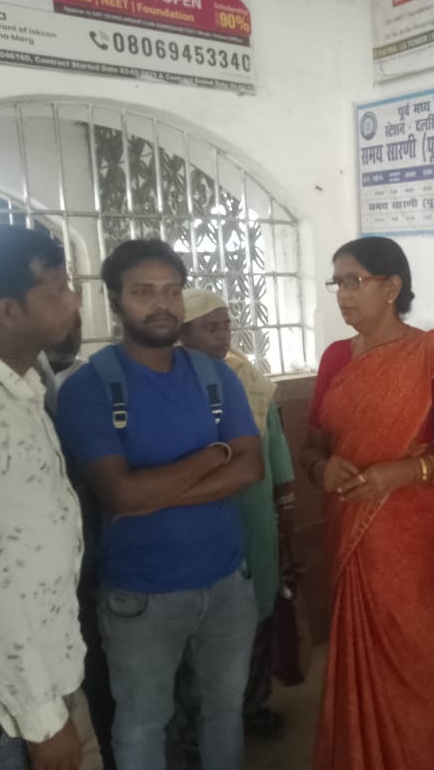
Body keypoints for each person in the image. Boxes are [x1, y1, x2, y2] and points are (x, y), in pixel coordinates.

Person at [54, 240, 263, 770]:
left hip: (226, 581)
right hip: (141, 593)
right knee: (143, 722)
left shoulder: (215, 376)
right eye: (144, 292)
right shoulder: (89, 388)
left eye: (171, 290)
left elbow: (251, 468)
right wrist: (212, 455)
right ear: (115, 300)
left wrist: (149, 496)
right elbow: (120, 494)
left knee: (224, 710)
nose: (162, 303)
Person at [302, 236, 434, 770]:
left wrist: (405, 472)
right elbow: (312, 443)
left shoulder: (432, 350)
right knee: (358, 668)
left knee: (422, 675)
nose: (343, 293)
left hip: (415, 552)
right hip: (351, 538)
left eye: (354, 280)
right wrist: (321, 468)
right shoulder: (336, 358)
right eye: (337, 282)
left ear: (392, 288)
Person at [0, 224, 100, 770]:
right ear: (8, 311)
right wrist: (43, 723)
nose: (73, 302)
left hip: (35, 670)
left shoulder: (16, 388)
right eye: (56, 291)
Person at [180, 288, 297, 737]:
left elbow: (275, 439)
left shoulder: (247, 375)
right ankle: (201, 726)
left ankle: (253, 706)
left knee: (260, 611)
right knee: (205, 628)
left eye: (226, 325)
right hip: (204, 517)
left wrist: (286, 498)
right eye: (210, 327)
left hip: (255, 514)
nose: (223, 335)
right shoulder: (173, 383)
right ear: (183, 334)